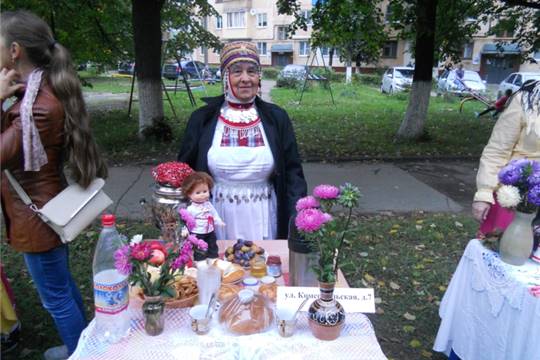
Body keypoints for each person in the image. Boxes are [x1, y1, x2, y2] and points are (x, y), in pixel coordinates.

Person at [0, 11, 107, 360]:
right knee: (62, 288)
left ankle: (81, 353)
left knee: (55, 297)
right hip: (42, 208)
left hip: (38, 217)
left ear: (15, 50)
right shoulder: (32, 95)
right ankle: (83, 345)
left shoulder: (37, 107)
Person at [177, 41, 307, 241]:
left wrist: (296, 218)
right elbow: (184, 172)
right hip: (216, 214)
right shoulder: (202, 119)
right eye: (237, 71)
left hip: (265, 214)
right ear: (225, 77)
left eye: (252, 71)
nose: (245, 79)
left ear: (259, 77)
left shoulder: (277, 118)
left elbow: (292, 173)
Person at [472, 80, 540, 240]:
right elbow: (497, 150)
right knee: (506, 255)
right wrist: (484, 192)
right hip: (518, 198)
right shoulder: (527, 98)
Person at [181, 171, 225, 260]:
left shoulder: (208, 204)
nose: (202, 195)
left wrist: (218, 221)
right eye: (198, 193)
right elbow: (185, 221)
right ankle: (200, 260)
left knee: (212, 244)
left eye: (205, 191)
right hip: (198, 232)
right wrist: (185, 230)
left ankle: (213, 257)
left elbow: (214, 214)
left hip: (210, 230)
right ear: (189, 194)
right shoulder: (191, 209)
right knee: (199, 248)